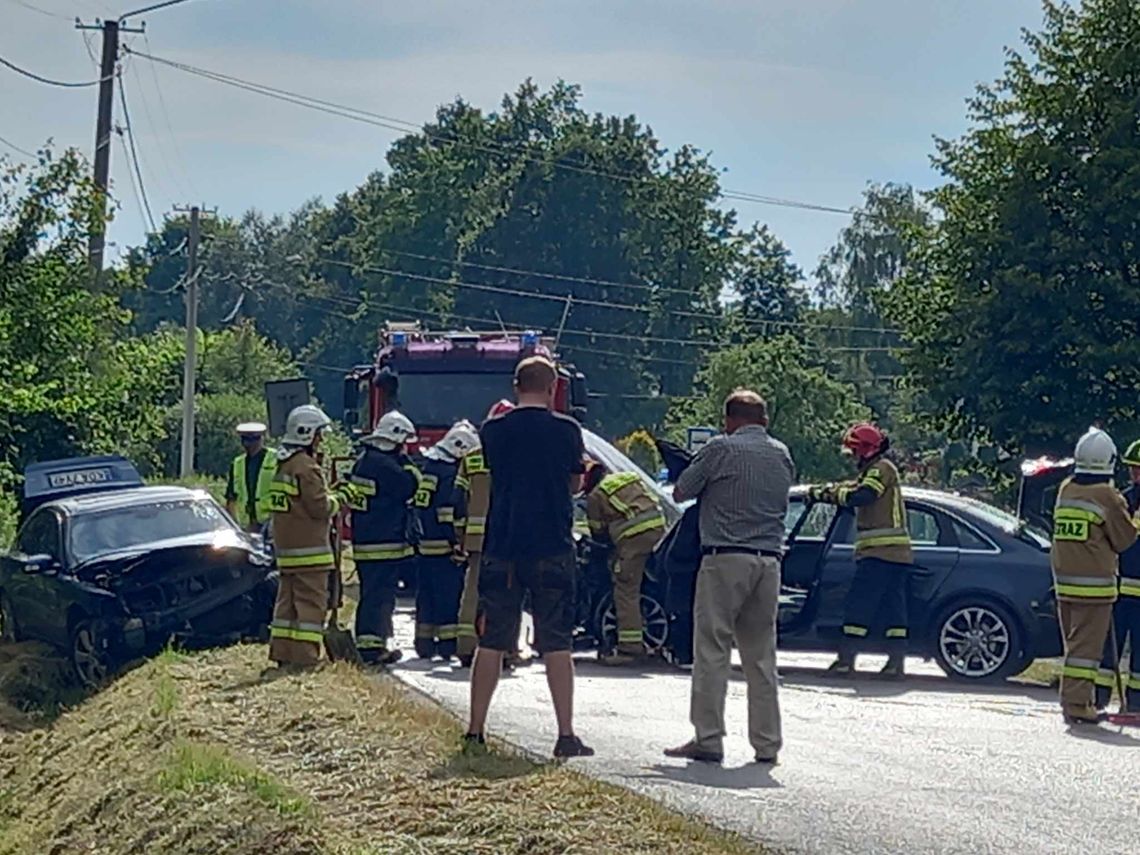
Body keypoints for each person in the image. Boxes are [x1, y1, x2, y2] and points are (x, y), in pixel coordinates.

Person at [464, 358, 594, 759]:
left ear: (515, 385)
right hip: (552, 544)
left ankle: (475, 729)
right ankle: (565, 734)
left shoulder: (494, 431)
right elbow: (575, 483)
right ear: (554, 386)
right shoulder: (567, 430)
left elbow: (496, 474)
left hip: (503, 545)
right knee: (556, 643)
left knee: (492, 641)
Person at [664, 390, 793, 766]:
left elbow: (682, 489)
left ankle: (709, 737)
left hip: (724, 558)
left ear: (729, 420)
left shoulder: (721, 448)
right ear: (764, 420)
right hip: (769, 561)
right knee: (761, 656)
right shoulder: (781, 453)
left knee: (713, 648)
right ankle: (767, 743)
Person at [810, 423, 913, 679]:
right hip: (896, 555)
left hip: (879, 555)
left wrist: (828, 495)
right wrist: (832, 489)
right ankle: (895, 664)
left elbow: (863, 495)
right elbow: (857, 488)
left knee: (858, 607)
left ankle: (846, 660)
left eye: (855, 451)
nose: (853, 456)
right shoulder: (876, 470)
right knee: (893, 610)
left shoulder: (880, 470)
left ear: (867, 449)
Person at [1051, 427, 1136, 725]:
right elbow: (1125, 539)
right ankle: (1077, 705)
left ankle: (1078, 700)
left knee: (1074, 647)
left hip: (1064, 584)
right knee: (1086, 653)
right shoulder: (1107, 495)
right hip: (1095, 589)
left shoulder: (1066, 489)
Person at [266, 405, 341, 669]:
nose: (320, 440)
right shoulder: (306, 467)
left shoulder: (283, 465)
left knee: (286, 607)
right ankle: (307, 658)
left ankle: (283, 654)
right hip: (311, 554)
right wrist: (339, 499)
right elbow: (319, 507)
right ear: (306, 434)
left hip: (287, 553)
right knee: (310, 607)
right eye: (319, 435)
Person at [347, 410, 420, 666]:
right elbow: (411, 485)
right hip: (383, 542)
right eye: (403, 443)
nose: (404, 448)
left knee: (371, 594)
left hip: (366, 540)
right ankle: (371, 649)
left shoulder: (364, 461)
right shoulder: (388, 466)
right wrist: (409, 463)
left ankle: (372, 644)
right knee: (380, 596)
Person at [584, 462, 666, 665]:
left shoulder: (596, 495)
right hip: (657, 529)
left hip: (634, 536)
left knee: (625, 588)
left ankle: (630, 648)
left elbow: (598, 534)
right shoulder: (626, 477)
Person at [454, 400, 513, 668]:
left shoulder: (471, 457)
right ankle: (506, 650)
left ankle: (466, 647)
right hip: (508, 535)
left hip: (476, 536)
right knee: (508, 592)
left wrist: (459, 534)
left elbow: (458, 498)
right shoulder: (519, 457)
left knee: (472, 590)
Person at [413, 420, 477, 660]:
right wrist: (456, 543)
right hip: (444, 547)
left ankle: (424, 642)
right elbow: (449, 511)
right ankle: (448, 644)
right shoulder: (451, 475)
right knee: (448, 596)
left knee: (426, 596)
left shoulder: (430, 469)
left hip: (424, 544)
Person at [1097, 438, 1140, 711]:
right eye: (1133, 469)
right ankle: (1099, 699)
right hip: (1120, 589)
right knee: (1107, 650)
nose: (1136, 474)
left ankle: (1135, 705)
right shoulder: (1123, 500)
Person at [225, 421, 277, 533]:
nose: (249, 444)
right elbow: (231, 498)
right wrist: (234, 526)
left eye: (253, 439)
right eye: (245, 440)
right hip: (247, 524)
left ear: (261, 439)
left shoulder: (275, 458)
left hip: (271, 521)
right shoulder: (238, 463)